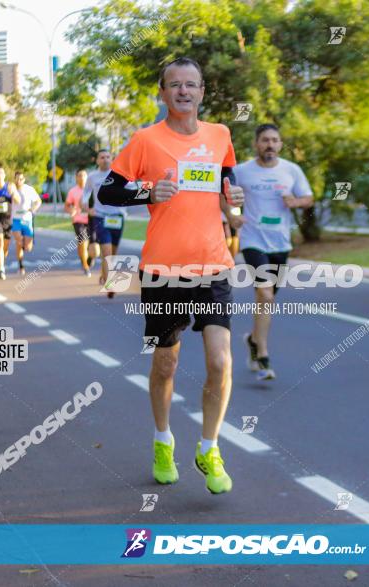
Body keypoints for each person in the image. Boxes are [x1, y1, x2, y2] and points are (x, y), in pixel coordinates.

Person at [97, 57, 244, 494]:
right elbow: (107, 189)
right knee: (167, 362)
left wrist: (233, 200)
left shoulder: (220, 135)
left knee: (220, 361)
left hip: (213, 266)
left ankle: (209, 446)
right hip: (163, 270)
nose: (183, 91)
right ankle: (163, 440)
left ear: (202, 92)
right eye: (174, 85)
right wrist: (146, 190)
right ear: (162, 93)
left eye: (191, 85)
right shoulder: (145, 140)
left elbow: (227, 185)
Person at [232, 123, 313, 380]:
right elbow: (225, 195)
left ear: (280, 144)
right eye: (265, 140)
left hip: (280, 243)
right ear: (257, 144)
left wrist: (296, 201)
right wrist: (233, 216)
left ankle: (254, 340)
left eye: (274, 140)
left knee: (267, 298)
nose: (270, 144)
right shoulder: (242, 171)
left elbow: (308, 197)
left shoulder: (292, 170)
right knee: (265, 293)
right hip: (253, 239)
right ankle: (264, 355)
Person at [83, 148, 129, 294]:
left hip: (117, 217)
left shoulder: (120, 175)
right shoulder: (92, 177)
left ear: (112, 159)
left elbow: (132, 188)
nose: (105, 159)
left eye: (108, 157)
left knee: (113, 253)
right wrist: (87, 209)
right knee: (106, 250)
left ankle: (105, 274)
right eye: (102, 157)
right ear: (97, 160)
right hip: (100, 216)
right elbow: (85, 194)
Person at [10, 171, 41, 275]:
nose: (19, 181)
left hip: (27, 219)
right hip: (16, 219)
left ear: (24, 179)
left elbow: (38, 201)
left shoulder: (29, 189)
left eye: (21, 179)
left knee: (28, 247)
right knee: (19, 241)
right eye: (17, 179)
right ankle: (21, 265)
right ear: (14, 179)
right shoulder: (11, 189)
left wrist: (33, 208)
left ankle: (23, 245)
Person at [65, 168, 92, 276]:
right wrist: (71, 210)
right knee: (83, 243)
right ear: (76, 178)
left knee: (92, 246)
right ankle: (85, 266)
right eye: (79, 175)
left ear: (87, 177)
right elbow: (67, 205)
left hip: (92, 220)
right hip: (78, 220)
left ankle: (87, 259)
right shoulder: (73, 191)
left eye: (84, 175)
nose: (82, 177)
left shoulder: (91, 189)